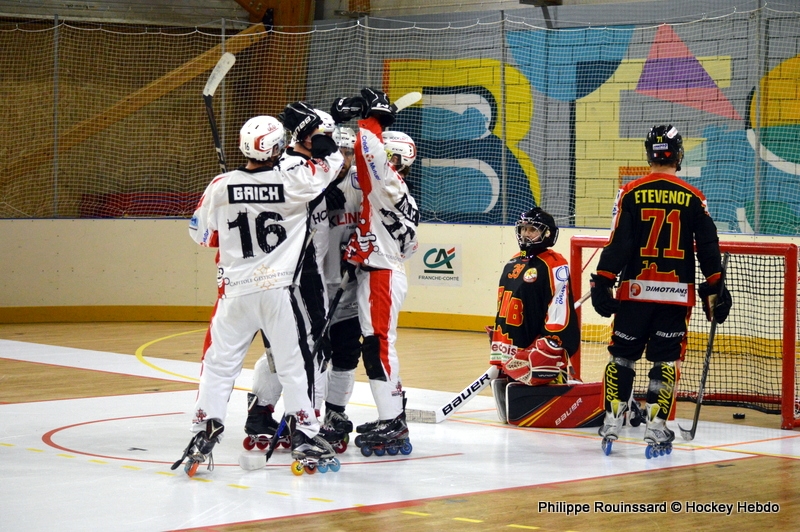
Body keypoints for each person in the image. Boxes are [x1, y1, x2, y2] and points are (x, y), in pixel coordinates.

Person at [172, 102, 344, 476]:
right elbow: (329, 167)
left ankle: (204, 431)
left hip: (234, 293)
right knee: (294, 366)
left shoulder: (220, 186)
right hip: (277, 291)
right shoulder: (293, 182)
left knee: (218, 369)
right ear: (280, 147)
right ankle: (306, 434)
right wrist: (325, 149)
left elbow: (200, 235)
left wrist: (230, 217)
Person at [590, 124, 731, 455]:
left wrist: (603, 281)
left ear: (648, 154)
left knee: (621, 357)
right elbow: (708, 248)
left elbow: (618, 244)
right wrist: (716, 286)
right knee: (665, 363)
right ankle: (656, 428)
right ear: (678, 154)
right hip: (675, 297)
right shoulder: (694, 198)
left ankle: (612, 422)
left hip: (635, 293)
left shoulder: (630, 193)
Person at [331, 88, 420, 453]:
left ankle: (393, 422)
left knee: (379, 348)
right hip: (381, 270)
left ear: (395, 159)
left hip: (381, 275)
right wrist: (363, 245)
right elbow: (408, 246)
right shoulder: (399, 193)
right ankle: (391, 415)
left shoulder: (387, 184)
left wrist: (371, 118)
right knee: (378, 347)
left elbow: (369, 150)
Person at [487, 208, 580, 416]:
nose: (526, 234)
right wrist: (498, 338)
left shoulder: (555, 264)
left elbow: (560, 306)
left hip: (536, 349)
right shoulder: (513, 262)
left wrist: (553, 340)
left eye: (532, 230)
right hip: (513, 346)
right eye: (524, 229)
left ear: (547, 234)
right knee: (512, 414)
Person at [321, 126, 362, 436]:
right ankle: (263, 407)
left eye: (349, 153)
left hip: (348, 287)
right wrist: (318, 198)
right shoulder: (307, 179)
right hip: (310, 286)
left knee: (347, 352)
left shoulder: (361, 184)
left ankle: (335, 411)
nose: (344, 159)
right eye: (339, 152)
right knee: (302, 354)